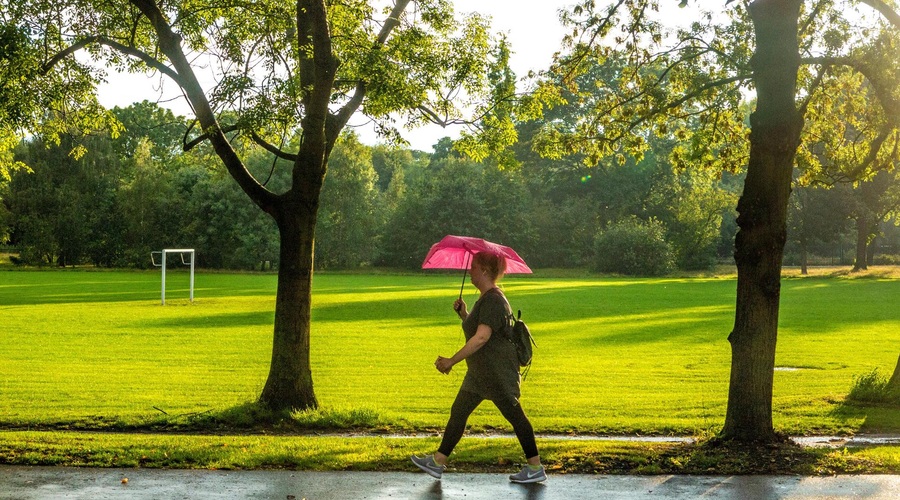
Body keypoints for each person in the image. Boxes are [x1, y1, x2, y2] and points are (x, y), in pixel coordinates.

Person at [411, 251, 546, 483]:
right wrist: (464, 314)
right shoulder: (487, 298)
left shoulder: (494, 299)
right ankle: (437, 462)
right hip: (481, 373)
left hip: (495, 374)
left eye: (473, 266)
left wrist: (451, 361)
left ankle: (535, 468)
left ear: (484, 270)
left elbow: (482, 338)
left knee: (516, 416)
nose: (469, 270)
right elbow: (481, 332)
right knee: (459, 412)